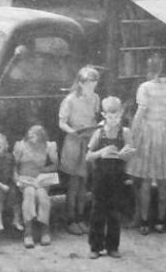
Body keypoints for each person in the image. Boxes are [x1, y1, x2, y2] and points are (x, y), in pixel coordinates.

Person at [126, 56, 166, 234]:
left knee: (146, 180)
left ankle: (144, 221)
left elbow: (140, 112)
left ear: (150, 69)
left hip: (148, 132)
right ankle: (160, 222)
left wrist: (132, 135)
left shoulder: (145, 88)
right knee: (164, 180)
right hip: (165, 132)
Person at [86, 96, 136, 259]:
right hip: (100, 176)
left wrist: (123, 155)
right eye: (110, 116)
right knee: (97, 211)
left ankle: (113, 246)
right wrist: (102, 152)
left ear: (121, 114)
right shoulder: (98, 133)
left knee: (115, 212)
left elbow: (131, 153)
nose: (113, 120)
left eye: (116, 117)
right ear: (103, 115)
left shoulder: (125, 133)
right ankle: (95, 246)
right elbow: (88, 156)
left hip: (118, 176)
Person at [58, 66, 101, 235]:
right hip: (75, 141)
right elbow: (62, 123)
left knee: (84, 182)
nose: (93, 87)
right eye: (90, 83)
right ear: (81, 83)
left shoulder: (96, 98)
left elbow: (95, 117)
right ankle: (70, 219)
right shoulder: (70, 99)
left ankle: (80, 217)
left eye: (95, 83)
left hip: (89, 140)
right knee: (74, 183)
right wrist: (74, 132)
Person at [13, 124, 58, 248]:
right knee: (29, 194)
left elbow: (55, 166)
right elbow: (14, 165)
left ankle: (45, 230)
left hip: (40, 179)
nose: (33, 137)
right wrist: (16, 177)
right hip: (25, 179)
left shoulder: (48, 146)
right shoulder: (21, 146)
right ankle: (28, 232)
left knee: (43, 197)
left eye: (36, 135)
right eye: (31, 134)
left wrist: (43, 170)